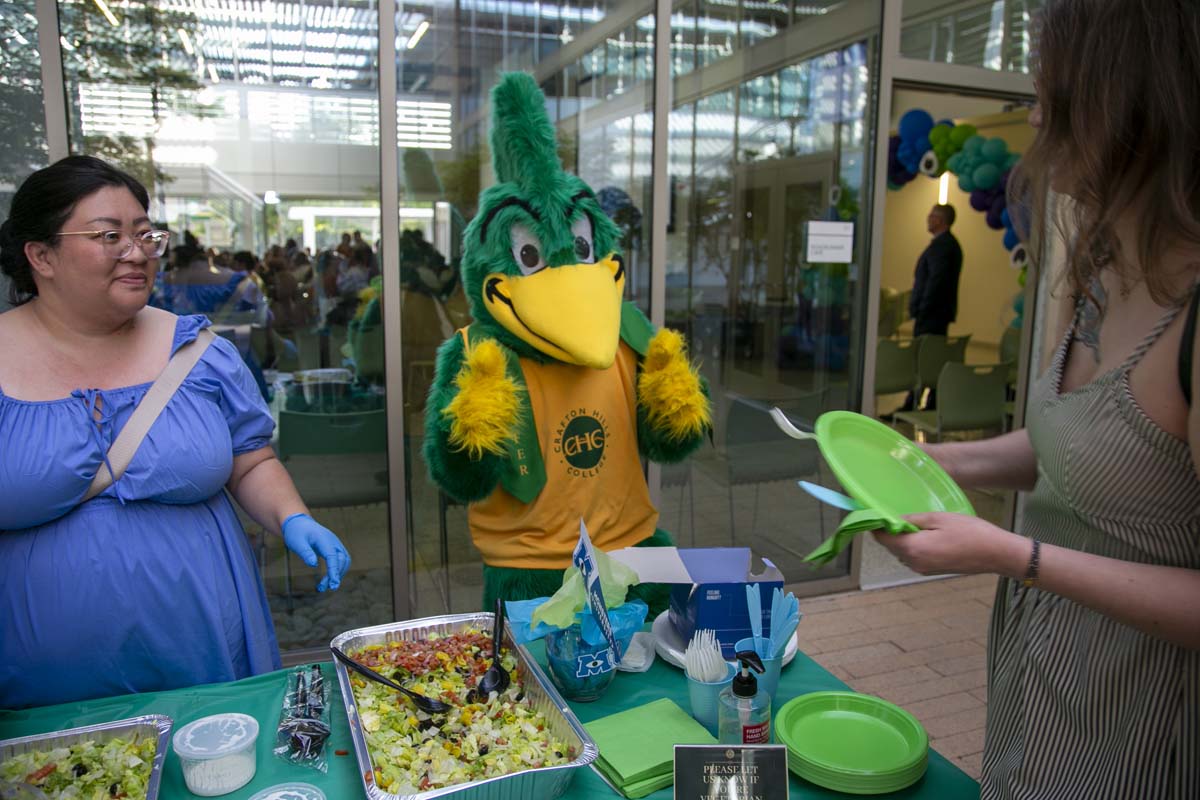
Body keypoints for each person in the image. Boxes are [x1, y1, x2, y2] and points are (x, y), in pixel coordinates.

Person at [873, 2, 1200, 797]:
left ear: (1130, 104)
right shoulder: (1105, 270)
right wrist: (923, 461)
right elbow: (1076, 442)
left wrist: (1008, 552)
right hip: (1042, 688)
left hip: (1137, 721)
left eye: (1054, 93)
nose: (1038, 117)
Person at [0, 156, 351, 709]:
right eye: (108, 235)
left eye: (145, 234)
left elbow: (251, 460)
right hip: (38, 684)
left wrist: (293, 516)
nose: (137, 251)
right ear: (40, 255)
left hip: (201, 652)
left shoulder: (199, 354)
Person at [908, 204, 963, 337]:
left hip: (931, 314)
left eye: (931, 215)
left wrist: (922, 308)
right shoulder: (949, 243)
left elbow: (936, 280)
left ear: (939, 220)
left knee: (925, 353)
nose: (928, 219)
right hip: (937, 313)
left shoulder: (942, 246)